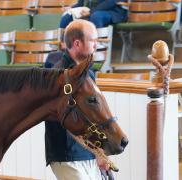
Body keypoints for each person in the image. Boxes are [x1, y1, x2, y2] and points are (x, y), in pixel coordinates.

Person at [44, 19, 111, 180]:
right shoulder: (58, 74)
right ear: (77, 43)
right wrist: (98, 151)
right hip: (66, 155)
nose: (96, 45)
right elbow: (67, 120)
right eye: (92, 40)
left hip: (89, 155)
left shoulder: (88, 73)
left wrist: (100, 152)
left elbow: (94, 116)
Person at [60, 0, 127, 28]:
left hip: (113, 11)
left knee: (96, 16)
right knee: (68, 15)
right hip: (92, 10)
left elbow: (110, 2)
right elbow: (81, 2)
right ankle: (62, 50)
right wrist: (71, 8)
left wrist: (91, 12)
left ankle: (97, 51)